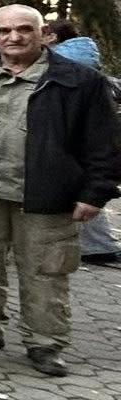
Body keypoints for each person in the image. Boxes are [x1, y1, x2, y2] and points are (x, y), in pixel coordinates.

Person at [0, 5, 119, 376]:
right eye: (3, 31)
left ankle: (45, 342)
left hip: (48, 196)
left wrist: (95, 193)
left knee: (45, 271)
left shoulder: (80, 81)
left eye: (23, 29)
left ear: (44, 33)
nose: (13, 37)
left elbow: (105, 143)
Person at [44, 19, 118, 265]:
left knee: (80, 188)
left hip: (70, 136)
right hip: (78, 135)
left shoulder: (65, 60)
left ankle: (98, 246)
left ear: (52, 36)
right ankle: (99, 244)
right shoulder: (82, 52)